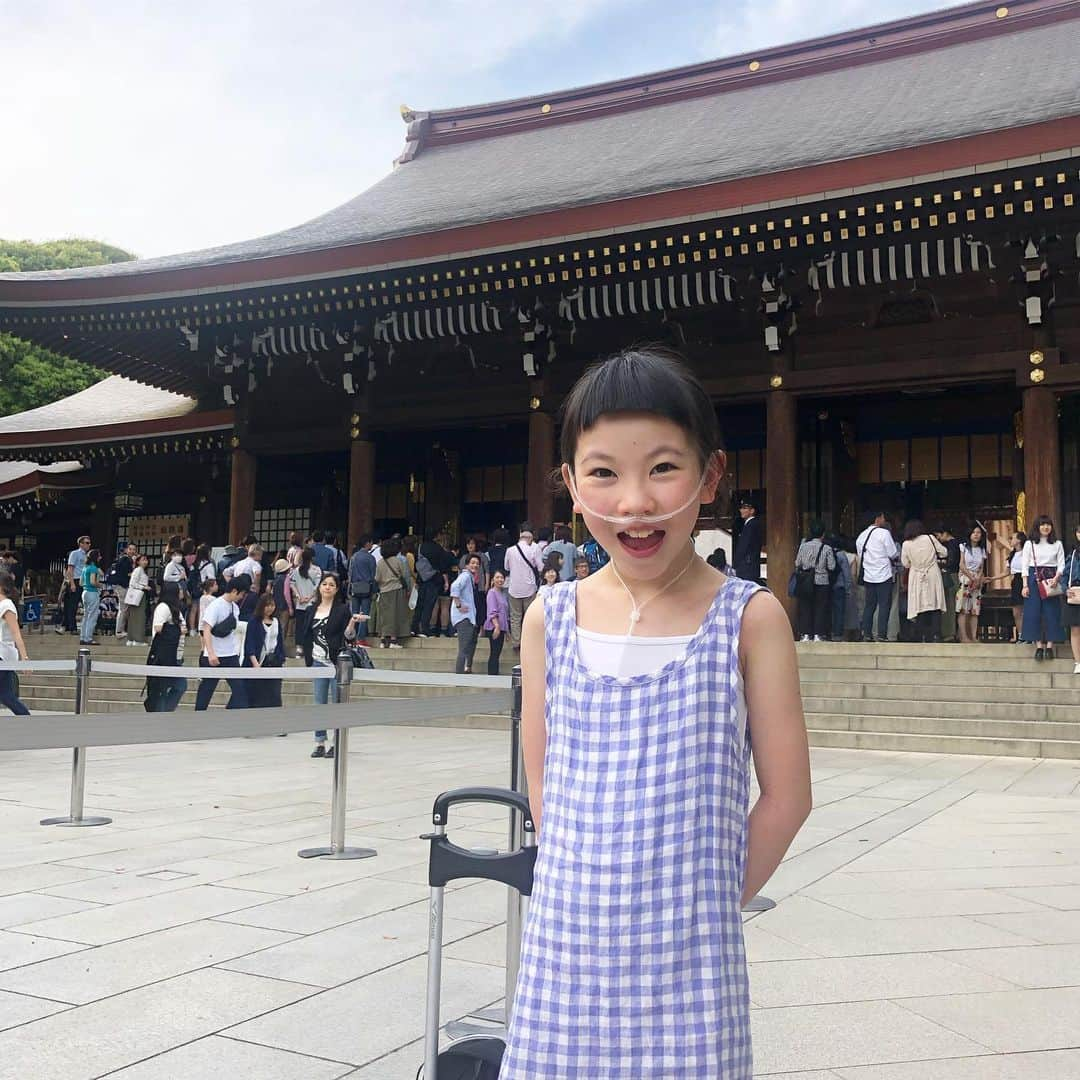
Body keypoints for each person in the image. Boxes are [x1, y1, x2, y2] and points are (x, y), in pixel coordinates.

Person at [501, 346, 810, 1079]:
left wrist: (707, 902)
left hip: (691, 965)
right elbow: (545, 783)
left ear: (711, 475)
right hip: (565, 954)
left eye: (663, 468)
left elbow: (789, 796)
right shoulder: (552, 616)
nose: (635, 502)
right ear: (571, 485)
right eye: (604, 472)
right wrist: (580, 885)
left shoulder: (750, 618)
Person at [299, 573, 364, 757]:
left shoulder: (342, 610)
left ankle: (337, 742)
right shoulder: (312, 609)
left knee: (337, 703)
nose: (327, 587)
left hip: (337, 663)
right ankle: (319, 741)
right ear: (320, 587)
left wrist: (352, 623)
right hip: (318, 661)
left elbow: (348, 636)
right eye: (324, 584)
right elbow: (306, 634)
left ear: (336, 589)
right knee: (319, 703)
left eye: (331, 585)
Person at [195, 573, 252, 711]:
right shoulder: (215, 606)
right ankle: (197, 718)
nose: (241, 597)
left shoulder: (235, 608)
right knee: (206, 690)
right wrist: (211, 653)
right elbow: (206, 629)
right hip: (214, 655)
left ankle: (231, 717)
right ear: (234, 591)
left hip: (230, 654)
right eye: (241, 594)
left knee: (240, 690)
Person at [1022, 515, 1065, 661]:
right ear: (1037, 527)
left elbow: (1061, 564)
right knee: (1034, 613)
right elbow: (1024, 565)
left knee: (1052, 612)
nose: (1046, 527)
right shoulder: (1029, 544)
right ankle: (1038, 646)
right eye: (1043, 525)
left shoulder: (1057, 544)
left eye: (1048, 525)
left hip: (1051, 579)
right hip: (1034, 578)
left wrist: (1057, 578)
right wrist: (1025, 585)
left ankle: (1050, 646)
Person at [900, 520, 947, 643]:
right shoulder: (929, 538)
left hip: (917, 575)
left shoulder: (906, 544)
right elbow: (944, 552)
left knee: (919, 606)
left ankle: (920, 635)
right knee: (935, 603)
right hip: (932, 573)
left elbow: (905, 563)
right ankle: (936, 635)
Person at [145, 582, 188, 712]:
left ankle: (166, 711)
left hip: (175, 655)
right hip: (165, 655)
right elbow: (158, 628)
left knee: (179, 686)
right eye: (179, 590)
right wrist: (179, 629)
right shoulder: (163, 607)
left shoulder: (175, 609)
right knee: (163, 690)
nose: (181, 592)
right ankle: (161, 715)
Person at [856, 512, 897, 643]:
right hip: (884, 574)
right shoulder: (884, 533)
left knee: (869, 606)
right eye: (883, 517)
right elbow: (893, 553)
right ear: (878, 519)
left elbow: (860, 556)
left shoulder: (861, 536)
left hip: (868, 576)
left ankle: (867, 634)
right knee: (884, 605)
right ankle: (881, 635)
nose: (884, 520)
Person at [504, 523, 544, 651]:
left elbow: (506, 568)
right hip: (530, 587)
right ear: (531, 536)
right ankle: (529, 641)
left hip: (514, 587)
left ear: (520, 534)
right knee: (529, 616)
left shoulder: (510, 550)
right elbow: (541, 567)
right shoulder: (535, 548)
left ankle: (516, 643)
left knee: (515, 617)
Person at [794, 520, 835, 642]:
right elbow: (832, 566)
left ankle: (806, 634)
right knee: (820, 608)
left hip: (806, 581)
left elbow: (797, 563)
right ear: (823, 534)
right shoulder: (826, 548)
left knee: (805, 607)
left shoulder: (803, 546)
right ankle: (818, 634)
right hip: (821, 581)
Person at [243, 593, 286, 708]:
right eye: (267, 605)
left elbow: (280, 642)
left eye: (272, 605)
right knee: (258, 695)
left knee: (274, 694)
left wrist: (281, 659)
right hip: (258, 661)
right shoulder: (254, 621)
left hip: (274, 661)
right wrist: (255, 663)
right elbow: (249, 644)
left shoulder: (276, 622)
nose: (270, 608)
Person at [0, 571, 30, 715]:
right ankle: (27, 720)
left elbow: (16, 633)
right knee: (6, 696)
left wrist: (24, 658)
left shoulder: (7, 605)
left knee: (7, 695)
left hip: (3, 654)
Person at [374, 536, 412, 648]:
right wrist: (408, 589)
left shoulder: (380, 563)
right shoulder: (399, 561)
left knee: (384, 615)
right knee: (396, 614)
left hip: (383, 591)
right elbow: (406, 576)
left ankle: (383, 639)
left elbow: (377, 578)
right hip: (396, 590)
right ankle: (393, 640)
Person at [957, 523, 988, 644]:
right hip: (966, 578)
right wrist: (971, 578)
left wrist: (978, 579)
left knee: (975, 610)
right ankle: (964, 636)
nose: (976, 535)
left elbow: (982, 568)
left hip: (977, 579)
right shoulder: (963, 547)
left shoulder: (982, 549)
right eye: (974, 532)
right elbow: (961, 564)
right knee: (963, 609)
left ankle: (973, 636)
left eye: (979, 533)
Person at [289, 547, 322, 659]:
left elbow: (292, 584)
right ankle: (311, 647)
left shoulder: (296, 570)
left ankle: (299, 648)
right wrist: (309, 597)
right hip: (312, 603)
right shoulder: (317, 570)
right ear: (312, 557)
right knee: (312, 626)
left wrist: (299, 597)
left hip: (300, 603)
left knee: (299, 626)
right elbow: (318, 586)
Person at [451, 552, 481, 674]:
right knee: (463, 648)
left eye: (477, 564)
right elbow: (454, 587)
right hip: (463, 617)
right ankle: (459, 674)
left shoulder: (469, 577)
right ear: (467, 564)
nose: (475, 565)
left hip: (468, 617)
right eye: (472, 563)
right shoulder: (465, 576)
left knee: (470, 644)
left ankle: (467, 667)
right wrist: (459, 605)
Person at [57, 535, 91, 635]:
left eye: (89, 543)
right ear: (81, 544)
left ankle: (66, 625)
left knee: (75, 604)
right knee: (72, 605)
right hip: (75, 579)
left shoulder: (87, 555)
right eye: (86, 543)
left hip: (83, 581)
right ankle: (72, 627)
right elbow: (70, 569)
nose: (88, 545)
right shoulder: (75, 553)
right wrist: (72, 583)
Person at [934, 525, 962, 642]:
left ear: (945, 533)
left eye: (939, 535)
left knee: (949, 606)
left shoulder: (952, 545)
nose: (938, 538)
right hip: (952, 576)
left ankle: (949, 633)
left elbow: (951, 562)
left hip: (950, 576)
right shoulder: (956, 544)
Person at [483, 568, 509, 675]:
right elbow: (492, 611)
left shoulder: (502, 593)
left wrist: (507, 631)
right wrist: (497, 626)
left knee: (497, 652)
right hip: (494, 627)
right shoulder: (492, 593)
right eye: (497, 577)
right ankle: (492, 674)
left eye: (502, 577)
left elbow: (505, 613)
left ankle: (494, 673)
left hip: (502, 627)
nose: (500, 580)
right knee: (494, 652)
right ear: (493, 579)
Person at [109, 542, 137, 639]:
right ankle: (119, 631)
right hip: (122, 586)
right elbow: (128, 573)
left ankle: (121, 629)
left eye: (134, 549)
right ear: (126, 550)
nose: (132, 551)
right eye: (130, 549)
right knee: (123, 609)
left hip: (122, 586)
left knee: (125, 609)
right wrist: (133, 565)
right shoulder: (125, 560)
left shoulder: (124, 559)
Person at [732, 496, 763, 582]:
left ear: (752, 511)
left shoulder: (751, 524)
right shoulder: (751, 524)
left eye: (744, 508)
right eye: (741, 508)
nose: (741, 510)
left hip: (747, 566)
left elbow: (744, 546)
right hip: (750, 565)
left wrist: (735, 564)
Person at [347, 535, 378, 621]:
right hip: (367, 587)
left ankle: (354, 631)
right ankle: (362, 633)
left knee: (355, 613)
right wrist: (374, 589)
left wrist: (349, 589)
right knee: (365, 614)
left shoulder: (354, 557)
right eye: (371, 543)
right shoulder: (370, 558)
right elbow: (373, 575)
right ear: (367, 543)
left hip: (355, 586)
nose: (372, 545)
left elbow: (350, 573)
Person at [124, 554, 152, 646]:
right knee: (139, 617)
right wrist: (144, 587)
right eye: (143, 560)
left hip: (138, 595)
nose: (145, 562)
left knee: (134, 617)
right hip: (138, 594)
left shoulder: (141, 570)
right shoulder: (138, 570)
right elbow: (132, 583)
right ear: (138, 561)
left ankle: (131, 639)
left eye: (146, 560)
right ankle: (138, 639)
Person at [1064, 523, 1080, 674]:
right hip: (1076, 591)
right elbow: (1065, 574)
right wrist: (1065, 589)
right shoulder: (1073, 554)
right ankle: (1078, 661)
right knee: (1075, 628)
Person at [79, 548, 103, 646]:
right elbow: (93, 582)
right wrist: (101, 585)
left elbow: (80, 583)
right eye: (99, 556)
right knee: (92, 616)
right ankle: (88, 638)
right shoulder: (93, 568)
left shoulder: (85, 568)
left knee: (85, 615)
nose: (100, 557)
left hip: (85, 592)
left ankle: (83, 637)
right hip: (92, 592)